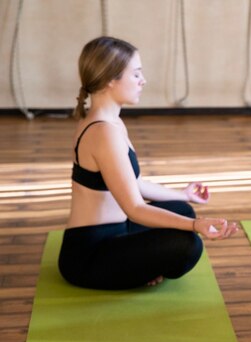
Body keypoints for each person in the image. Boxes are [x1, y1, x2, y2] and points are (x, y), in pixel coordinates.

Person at [58, 36, 237, 290]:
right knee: (188, 245)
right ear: (111, 79)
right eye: (136, 74)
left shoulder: (111, 122)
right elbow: (134, 207)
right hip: (89, 254)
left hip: (118, 229)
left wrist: (183, 194)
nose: (144, 81)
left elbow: (135, 183)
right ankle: (138, 270)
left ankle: (140, 267)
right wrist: (197, 226)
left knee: (181, 209)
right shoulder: (102, 132)